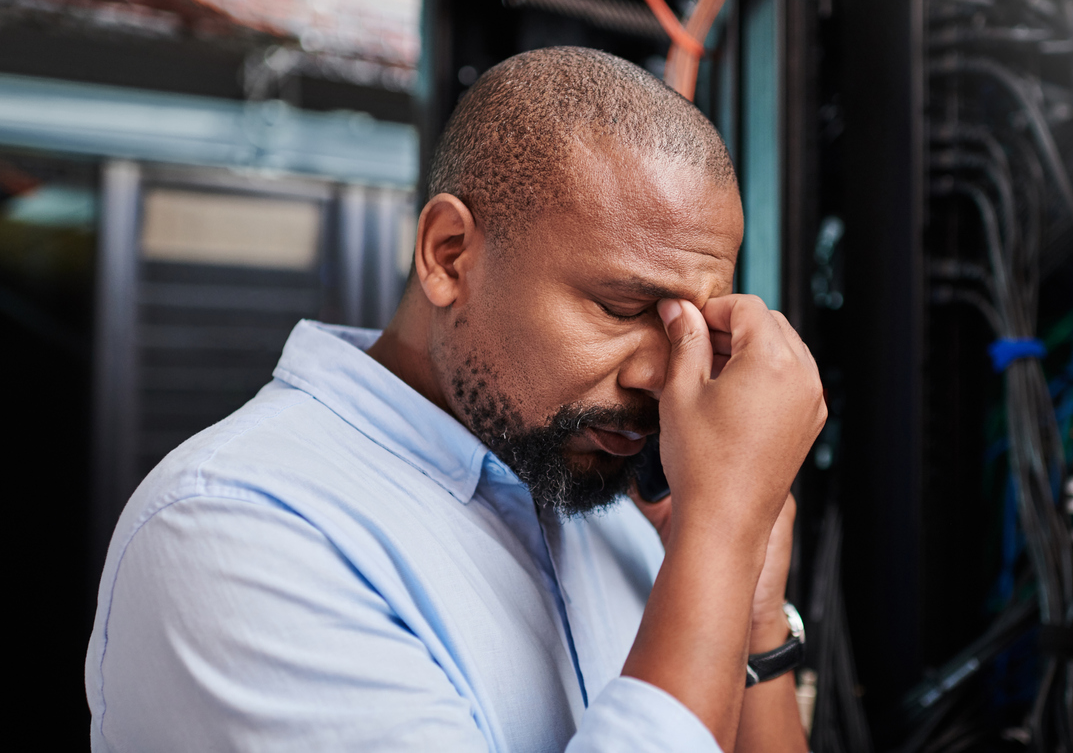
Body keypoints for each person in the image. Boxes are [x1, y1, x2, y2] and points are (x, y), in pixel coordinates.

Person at [86, 46, 826, 752]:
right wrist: (723, 530)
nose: (662, 377)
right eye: (622, 308)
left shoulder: (623, 518)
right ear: (448, 255)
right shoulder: (236, 530)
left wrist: (751, 607)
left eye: (691, 326)